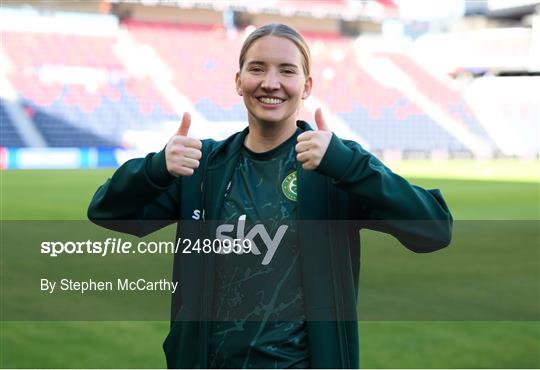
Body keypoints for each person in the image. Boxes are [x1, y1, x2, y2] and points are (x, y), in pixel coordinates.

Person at [88, 23, 452, 368]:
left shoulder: (335, 168)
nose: (271, 83)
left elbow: (434, 230)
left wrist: (350, 166)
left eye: (287, 71)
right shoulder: (203, 168)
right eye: (257, 68)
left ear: (307, 85)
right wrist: (155, 169)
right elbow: (106, 211)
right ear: (238, 81)